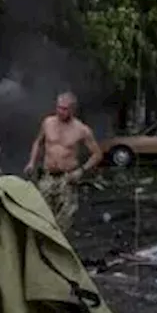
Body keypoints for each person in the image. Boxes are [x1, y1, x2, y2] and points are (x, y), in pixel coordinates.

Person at [24, 91, 102, 234]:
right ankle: (41, 248)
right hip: (47, 177)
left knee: (64, 221)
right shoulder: (48, 122)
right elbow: (38, 142)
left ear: (72, 109)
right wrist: (31, 162)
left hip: (67, 179)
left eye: (65, 109)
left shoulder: (82, 130)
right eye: (59, 107)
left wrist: (81, 171)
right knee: (42, 216)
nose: (61, 111)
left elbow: (97, 154)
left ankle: (59, 248)